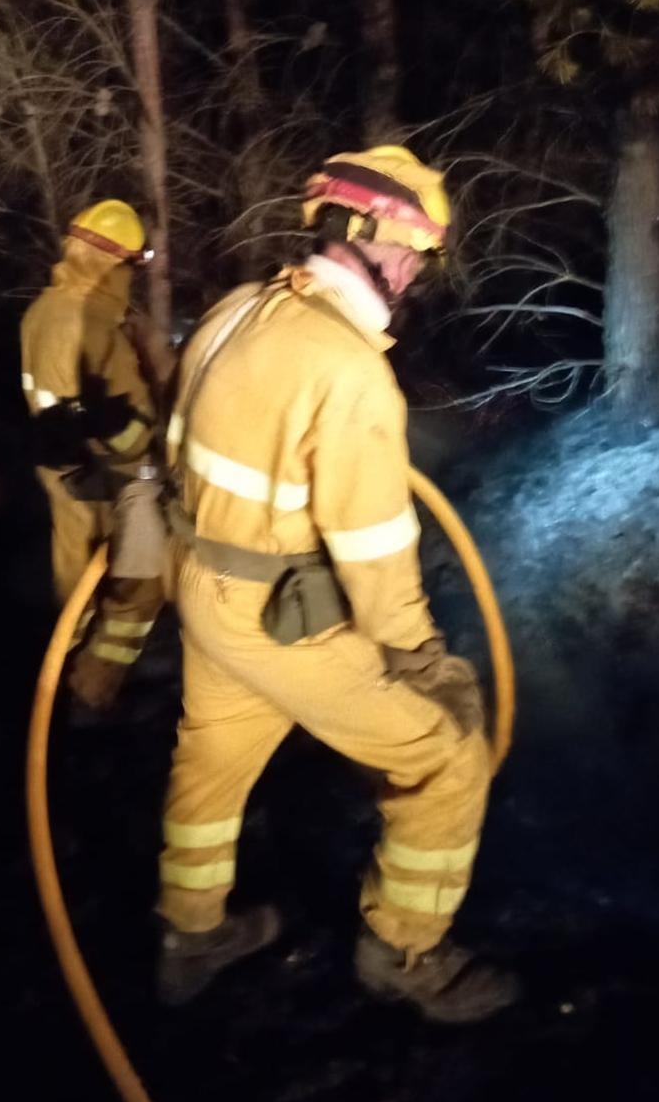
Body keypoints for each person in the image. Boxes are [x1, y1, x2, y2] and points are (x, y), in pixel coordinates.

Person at [155, 146, 520, 1020]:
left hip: (202, 582)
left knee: (213, 756)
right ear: (366, 237)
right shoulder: (349, 370)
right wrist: (416, 653)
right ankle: (406, 949)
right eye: (411, 252)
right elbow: (374, 545)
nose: (414, 273)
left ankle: (190, 932)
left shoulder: (238, 312)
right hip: (279, 614)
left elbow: (177, 449)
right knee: (447, 755)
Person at [21, 200, 167, 712]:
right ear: (109, 261)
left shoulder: (48, 309)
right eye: (129, 264)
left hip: (74, 475)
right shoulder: (84, 319)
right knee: (141, 585)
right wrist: (144, 448)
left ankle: (67, 685)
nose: (131, 277)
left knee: (77, 585)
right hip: (115, 479)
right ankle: (90, 693)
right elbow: (104, 423)